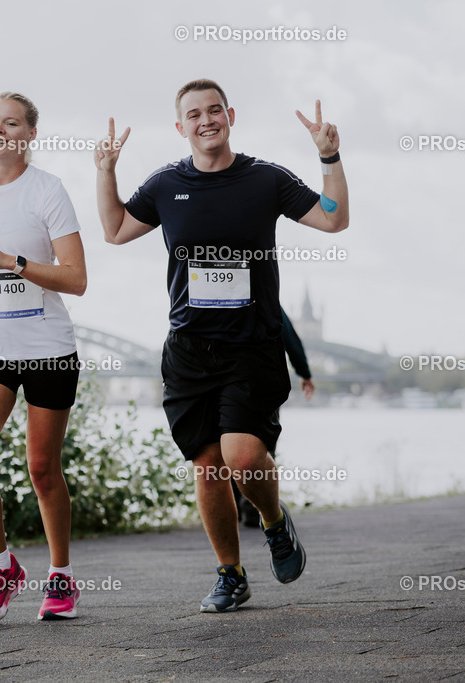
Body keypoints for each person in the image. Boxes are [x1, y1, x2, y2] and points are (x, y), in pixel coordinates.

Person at [94, 79, 348, 613]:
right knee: (208, 467)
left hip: (252, 346)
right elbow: (115, 229)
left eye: (215, 110)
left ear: (229, 115)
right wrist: (105, 172)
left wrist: (330, 156)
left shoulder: (265, 178)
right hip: (189, 349)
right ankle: (230, 574)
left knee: (243, 453)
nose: (206, 119)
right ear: (180, 126)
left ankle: (276, 524)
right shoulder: (166, 184)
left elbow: (333, 218)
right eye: (194, 113)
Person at [0, 92, 88, 621]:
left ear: (29, 134)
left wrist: (14, 261)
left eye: (11, 122)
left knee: (43, 469)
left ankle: (61, 577)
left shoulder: (48, 191)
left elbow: (76, 279)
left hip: (48, 347)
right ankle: (1, 566)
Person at [234, 307, 315, 528]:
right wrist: (304, 373)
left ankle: (239, 507)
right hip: (264, 385)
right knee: (262, 447)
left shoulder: (218, 300)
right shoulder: (267, 301)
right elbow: (290, 338)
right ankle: (253, 508)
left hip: (227, 385)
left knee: (230, 447)